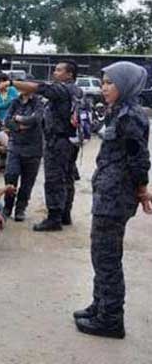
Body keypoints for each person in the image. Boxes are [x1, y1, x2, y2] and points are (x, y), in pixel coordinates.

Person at [74, 62, 151, 339]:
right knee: (100, 254)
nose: (104, 88)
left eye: (110, 83)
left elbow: (139, 157)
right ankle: (100, 306)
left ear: (126, 85)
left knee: (107, 258)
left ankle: (110, 319)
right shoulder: (118, 111)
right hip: (108, 193)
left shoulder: (131, 116)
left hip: (115, 197)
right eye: (103, 82)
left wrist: (142, 190)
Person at [6, 60, 81, 231]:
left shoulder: (62, 89)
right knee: (67, 177)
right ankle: (65, 214)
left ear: (70, 74)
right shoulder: (77, 90)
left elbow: (41, 88)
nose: (55, 73)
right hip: (71, 141)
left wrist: (12, 82)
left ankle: (54, 218)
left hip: (58, 141)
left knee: (54, 179)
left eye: (59, 70)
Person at [3, 90, 44, 221]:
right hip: (15, 145)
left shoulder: (38, 102)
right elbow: (7, 121)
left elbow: (36, 119)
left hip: (34, 148)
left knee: (28, 182)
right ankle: (7, 207)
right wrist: (20, 127)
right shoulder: (15, 102)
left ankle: (20, 209)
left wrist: (19, 118)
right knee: (11, 175)